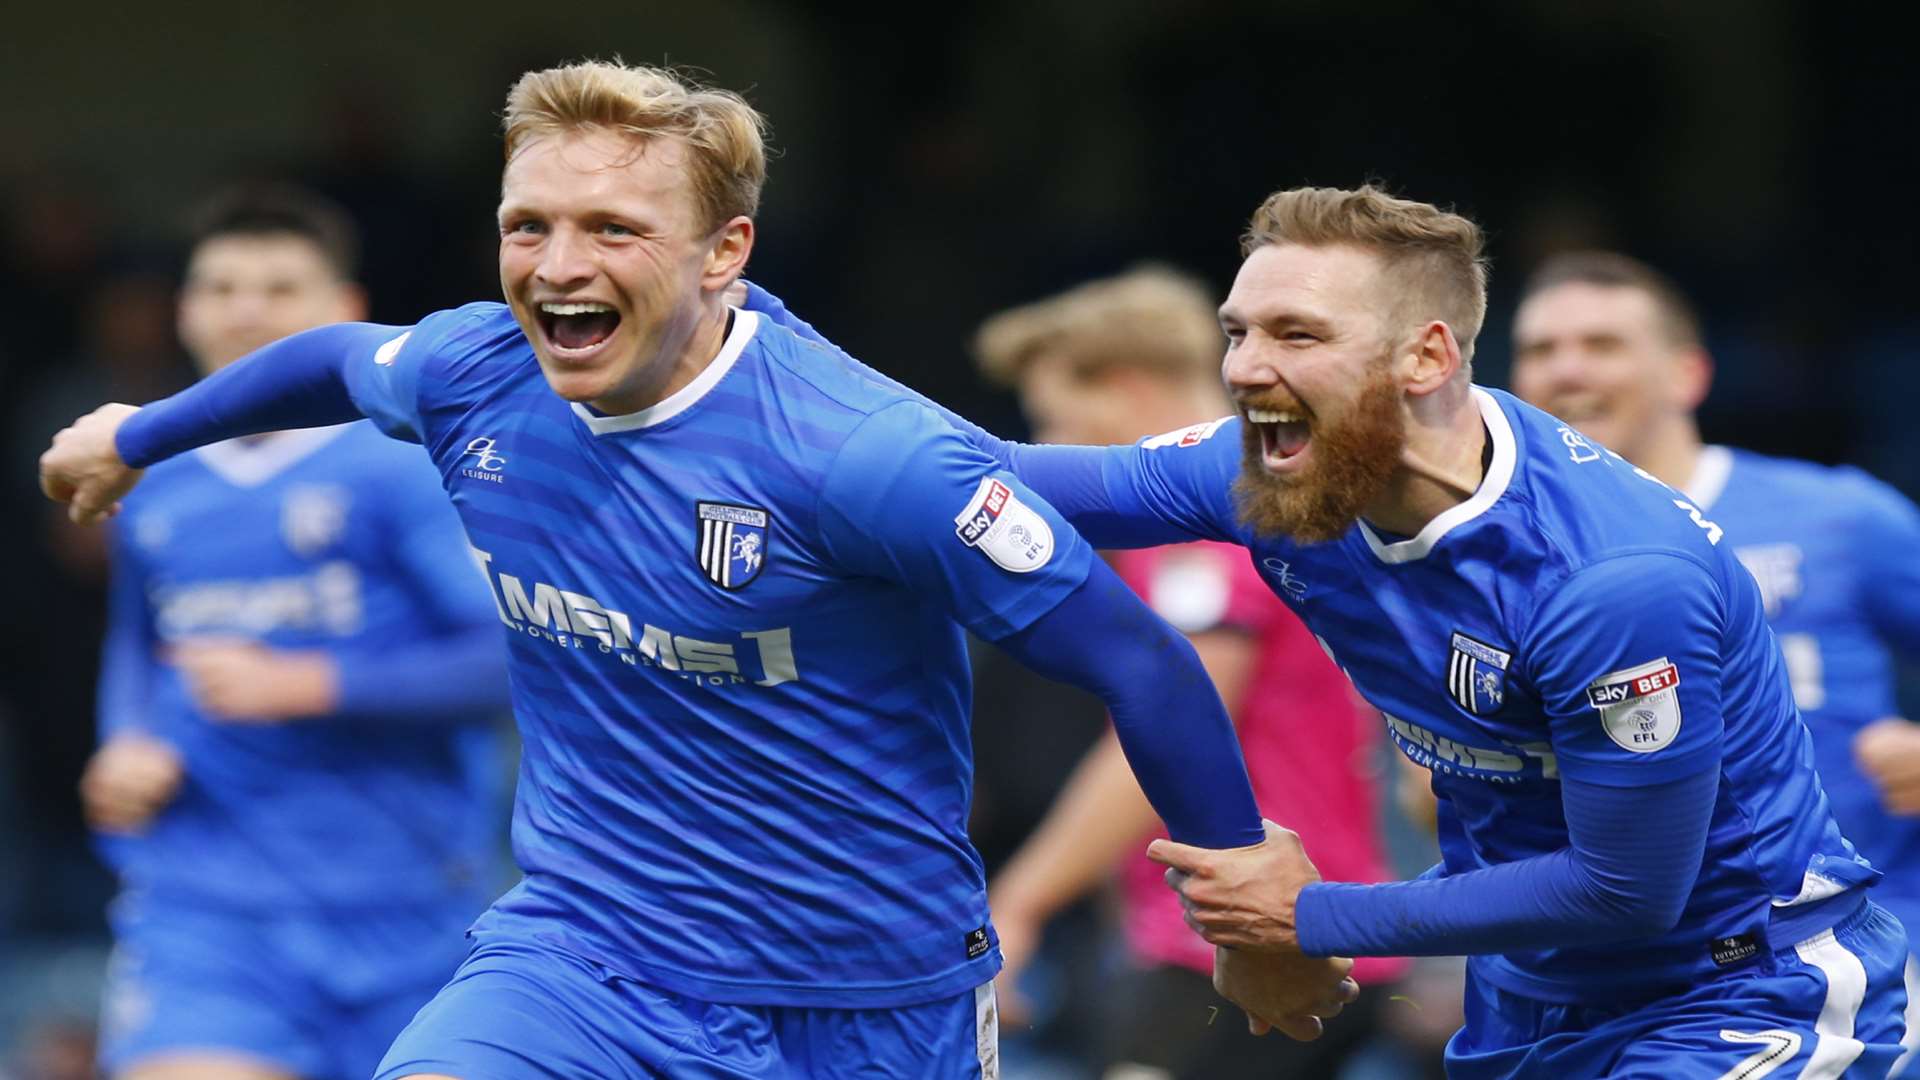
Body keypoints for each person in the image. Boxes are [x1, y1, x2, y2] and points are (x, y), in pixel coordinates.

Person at [39, 62, 1356, 1078]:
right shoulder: (473, 370)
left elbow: (1139, 658)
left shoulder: (861, 455)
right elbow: (332, 361)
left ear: (724, 252)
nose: (556, 266)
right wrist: (137, 438)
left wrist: (1254, 929)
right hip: (584, 956)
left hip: (868, 1001)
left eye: (611, 228)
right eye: (528, 224)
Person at [743, 184, 1911, 1077]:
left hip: (1738, 998)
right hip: (1531, 1004)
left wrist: (1303, 914)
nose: (1247, 369)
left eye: (1295, 336)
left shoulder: (1613, 581)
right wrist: (750, 371)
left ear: (1427, 356)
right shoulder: (1262, 478)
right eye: (1239, 331)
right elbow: (978, 479)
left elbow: (1626, 892)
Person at [81, 186, 513, 1080]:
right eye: (222, 287)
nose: (246, 310)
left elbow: (512, 662)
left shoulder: (406, 470)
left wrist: (313, 685)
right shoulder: (152, 481)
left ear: (344, 315)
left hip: (405, 906)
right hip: (206, 912)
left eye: (280, 289)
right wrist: (124, 741)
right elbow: (137, 641)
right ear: (186, 310)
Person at [974, 266, 1406, 1078]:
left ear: (1129, 390)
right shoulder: (1250, 508)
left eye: (1058, 419)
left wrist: (1018, 905)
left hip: (1260, 934)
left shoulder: (1220, 526)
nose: (1055, 448)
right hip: (1254, 930)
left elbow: (1174, 715)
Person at [1509, 249, 1920, 1074]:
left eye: (1603, 343)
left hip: (1855, 953)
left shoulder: (1835, 517)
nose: (1568, 369)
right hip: (1607, 972)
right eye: (1541, 350)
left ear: (1688, 373)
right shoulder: (1501, 562)